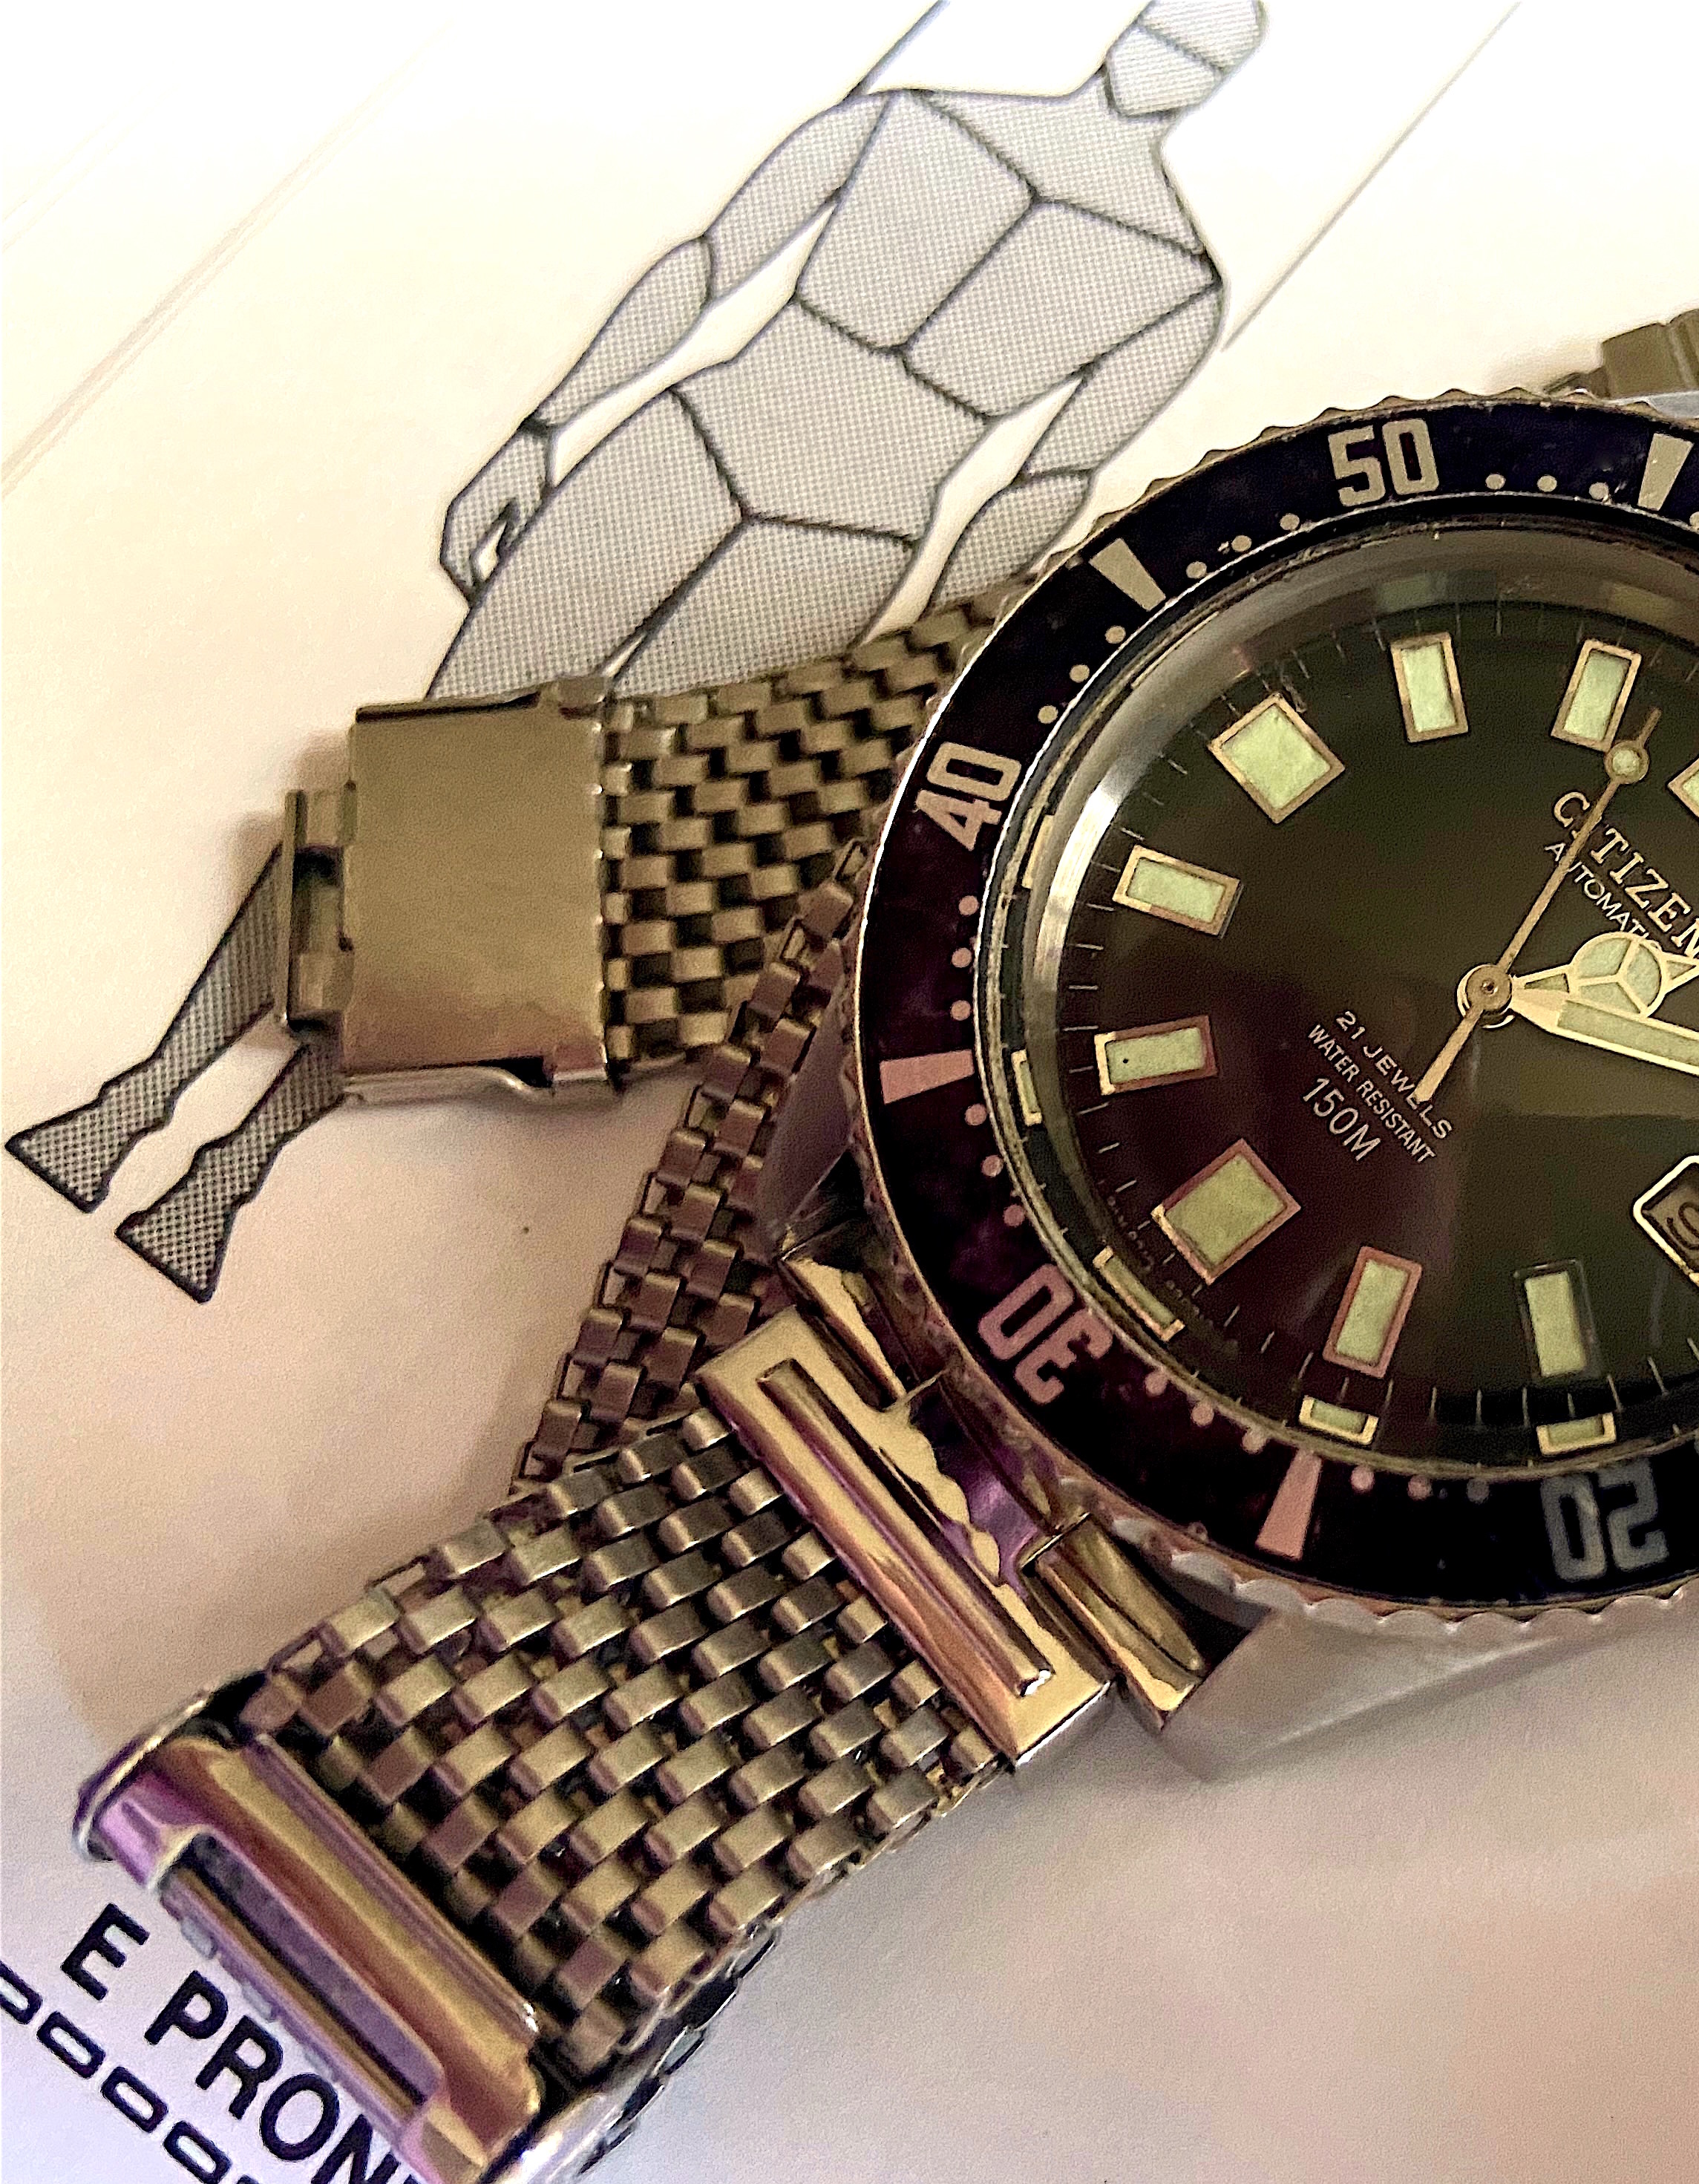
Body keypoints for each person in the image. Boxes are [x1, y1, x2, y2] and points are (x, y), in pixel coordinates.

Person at [8, 0, 1263, 1298]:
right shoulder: (995, 169)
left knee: (519, 868)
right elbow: (721, 275)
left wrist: (896, 673)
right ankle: (147, 1100)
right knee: (417, 810)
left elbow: (1010, 476)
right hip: (753, 480)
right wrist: (545, 428)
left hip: (790, 508)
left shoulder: (1081, 223)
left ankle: (224, 1165)